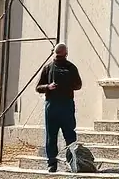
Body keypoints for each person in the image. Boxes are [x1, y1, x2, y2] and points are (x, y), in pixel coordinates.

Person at [35, 43, 82, 173]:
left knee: (70, 135)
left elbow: (78, 85)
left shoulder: (71, 67)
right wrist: (48, 87)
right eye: (57, 55)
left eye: (61, 55)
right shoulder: (48, 68)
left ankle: (73, 162)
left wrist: (67, 85)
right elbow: (38, 87)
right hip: (52, 105)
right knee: (51, 136)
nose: (59, 58)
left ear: (66, 54)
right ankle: (51, 163)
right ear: (54, 54)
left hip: (66, 104)